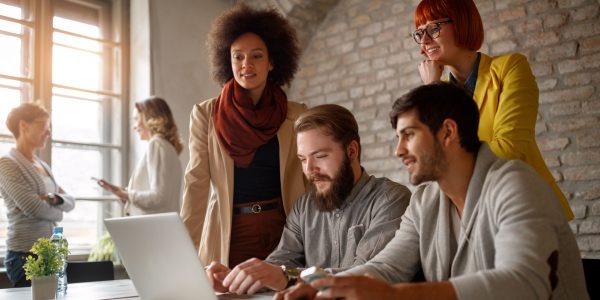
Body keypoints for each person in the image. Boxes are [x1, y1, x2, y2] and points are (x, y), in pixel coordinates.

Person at [276, 83, 588, 300]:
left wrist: (394, 296)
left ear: (448, 132)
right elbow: (387, 267)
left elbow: (524, 285)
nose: (399, 150)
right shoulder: (424, 202)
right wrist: (323, 286)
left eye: (408, 135)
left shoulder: (515, 184)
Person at [205, 104, 411, 295]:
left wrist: (289, 276)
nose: (309, 170)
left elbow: (366, 276)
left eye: (320, 156)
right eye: (303, 159)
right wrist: (236, 280)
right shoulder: (304, 207)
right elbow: (278, 265)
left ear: (351, 151)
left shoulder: (391, 200)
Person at [412, 0, 572, 219]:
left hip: (526, 210)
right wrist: (431, 89)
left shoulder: (510, 68)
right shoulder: (441, 93)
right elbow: (429, 159)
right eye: (420, 33)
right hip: (471, 217)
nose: (425, 40)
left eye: (434, 28)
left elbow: (509, 148)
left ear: (461, 23)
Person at [181, 4, 307, 268]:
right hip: (230, 232)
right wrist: (183, 248)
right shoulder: (206, 114)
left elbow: (310, 181)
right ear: (227, 61)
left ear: (272, 62)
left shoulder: (297, 115)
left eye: (257, 56)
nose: (246, 64)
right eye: (238, 57)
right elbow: (197, 182)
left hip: (287, 231)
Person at [0, 103, 76, 287]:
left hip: (51, 252)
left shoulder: (43, 165)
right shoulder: (7, 163)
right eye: (43, 125)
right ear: (24, 126)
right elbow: (33, 208)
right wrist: (58, 211)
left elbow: (71, 202)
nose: (48, 132)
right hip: (24, 255)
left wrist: (51, 198)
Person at [97, 96, 183, 216]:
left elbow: (159, 198)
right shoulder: (168, 148)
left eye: (136, 119)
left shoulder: (156, 144)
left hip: (153, 230)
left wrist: (125, 194)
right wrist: (123, 192)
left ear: (149, 118)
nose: (134, 126)